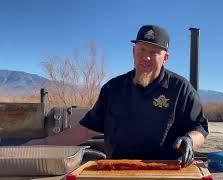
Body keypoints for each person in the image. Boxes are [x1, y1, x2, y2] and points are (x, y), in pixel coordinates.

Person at [26, 25, 209, 167]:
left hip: (166, 171)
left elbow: (199, 128)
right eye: (142, 50)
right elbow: (85, 130)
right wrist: (45, 143)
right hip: (118, 170)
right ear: (133, 52)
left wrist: (190, 140)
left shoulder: (180, 89)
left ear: (165, 58)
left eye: (153, 52)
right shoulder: (113, 89)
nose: (146, 57)